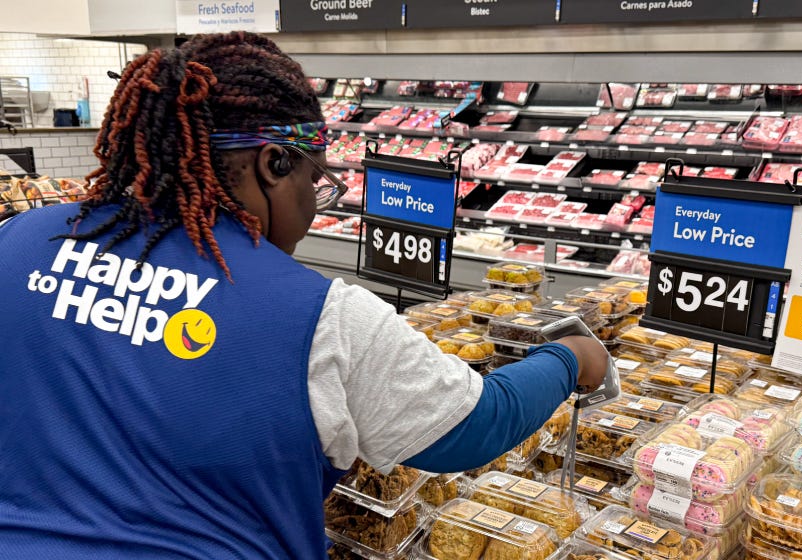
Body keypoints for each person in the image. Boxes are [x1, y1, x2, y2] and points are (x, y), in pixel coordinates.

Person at [0, 32, 609, 559]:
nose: (316, 204)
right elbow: (478, 425)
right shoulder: (320, 317)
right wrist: (570, 359)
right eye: (315, 178)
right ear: (274, 164)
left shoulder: (16, 241)